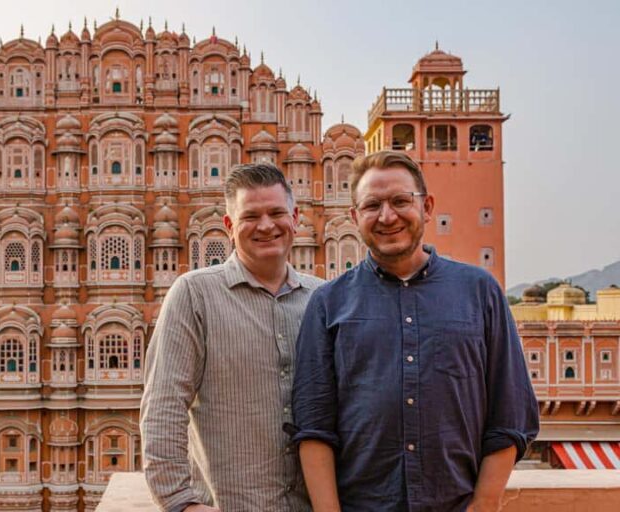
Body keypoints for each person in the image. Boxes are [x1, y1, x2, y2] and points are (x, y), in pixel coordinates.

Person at [290, 150, 539, 512]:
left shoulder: (479, 292)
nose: (387, 216)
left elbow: (510, 414)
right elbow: (314, 426)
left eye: (400, 201)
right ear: (355, 217)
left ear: (426, 207)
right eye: (372, 205)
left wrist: (483, 504)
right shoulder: (330, 303)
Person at [141, 163, 324, 512]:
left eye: (276, 213)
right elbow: (164, 403)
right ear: (229, 226)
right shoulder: (195, 295)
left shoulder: (323, 298)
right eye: (250, 216)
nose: (266, 225)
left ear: (295, 217)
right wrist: (180, 502)